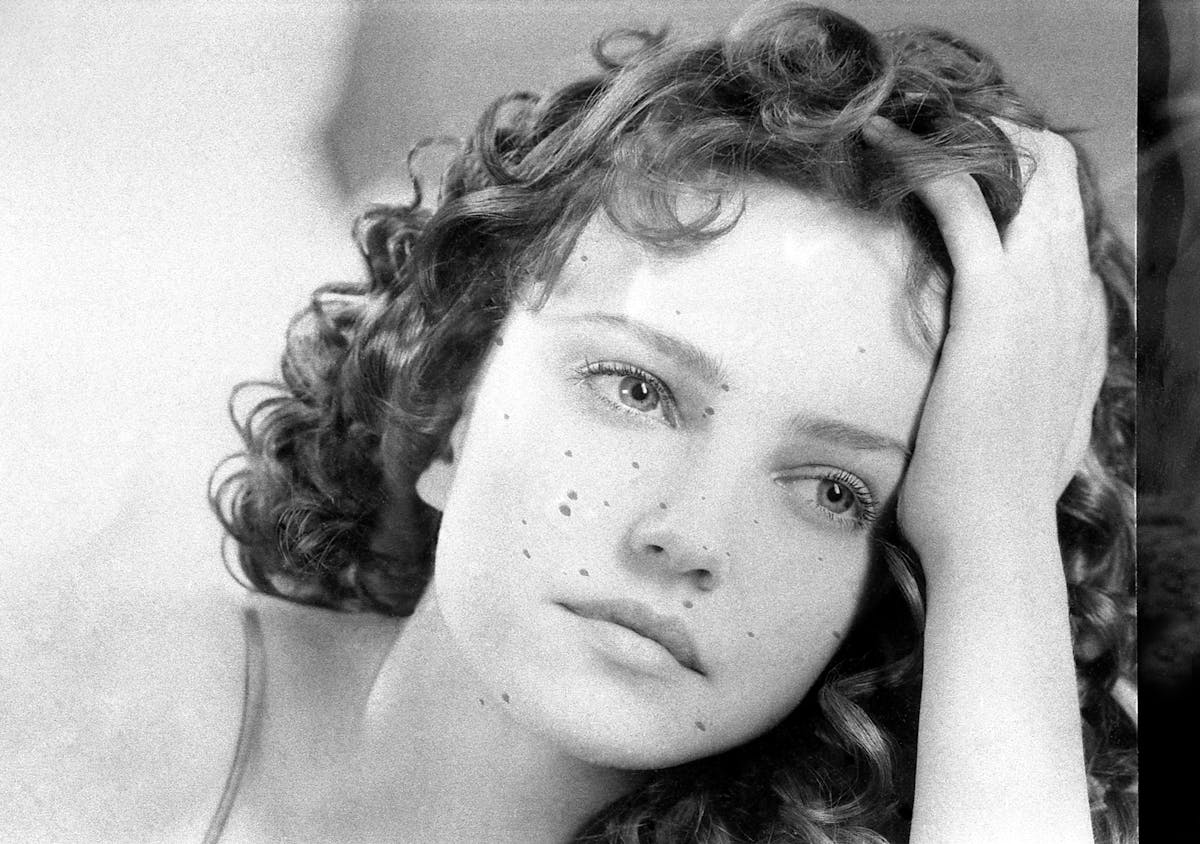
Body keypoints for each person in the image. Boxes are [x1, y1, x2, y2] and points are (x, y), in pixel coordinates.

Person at [12, 3, 1137, 842]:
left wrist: (996, 535)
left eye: (831, 491)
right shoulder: (68, 692)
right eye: (636, 390)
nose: (686, 534)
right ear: (452, 399)